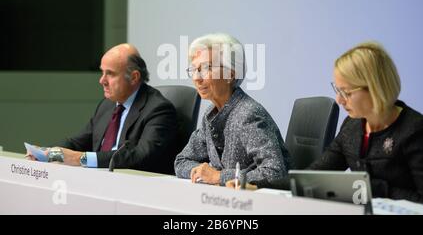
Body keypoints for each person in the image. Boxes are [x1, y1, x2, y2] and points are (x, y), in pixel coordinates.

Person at [228, 42, 423, 203]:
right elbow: (312, 178)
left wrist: (376, 189)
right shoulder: (352, 127)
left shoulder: (414, 130)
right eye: (337, 90)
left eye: (346, 92)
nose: (339, 100)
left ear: (375, 87)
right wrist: (256, 185)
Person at [27, 44, 178, 174]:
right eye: (102, 72)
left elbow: (140, 157)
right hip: (99, 181)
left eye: (110, 74)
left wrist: (80, 159)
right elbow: (77, 143)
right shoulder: (107, 105)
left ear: (134, 77)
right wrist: (46, 153)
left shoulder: (158, 110)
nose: (102, 80)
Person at [174, 33, 291, 187]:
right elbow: (181, 161)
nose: (196, 77)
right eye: (194, 69)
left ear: (230, 74)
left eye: (206, 68)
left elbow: (274, 172)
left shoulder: (248, 114)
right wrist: (200, 172)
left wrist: (219, 176)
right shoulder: (211, 114)